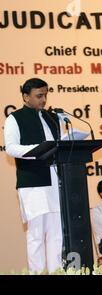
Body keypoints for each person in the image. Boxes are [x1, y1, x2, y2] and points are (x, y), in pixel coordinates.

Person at [3, 78, 63, 273]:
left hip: (54, 179)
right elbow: (11, 148)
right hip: (32, 182)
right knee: (36, 234)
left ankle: (56, 271)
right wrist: (37, 150)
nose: (44, 100)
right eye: (39, 96)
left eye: (45, 95)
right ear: (25, 97)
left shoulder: (51, 117)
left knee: (56, 233)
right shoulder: (15, 118)